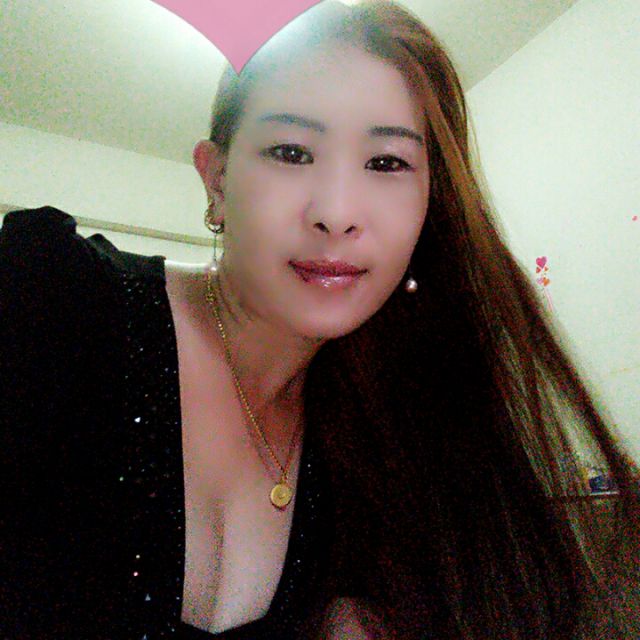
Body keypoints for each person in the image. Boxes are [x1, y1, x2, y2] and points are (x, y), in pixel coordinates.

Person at [1, 1, 639, 638]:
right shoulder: (52, 298)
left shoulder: (393, 440)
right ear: (216, 181)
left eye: (386, 163)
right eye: (290, 151)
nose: (336, 213)